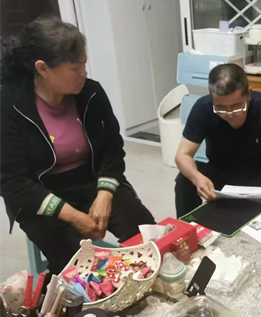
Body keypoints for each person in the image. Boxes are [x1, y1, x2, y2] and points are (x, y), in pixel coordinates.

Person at [0, 16, 155, 274]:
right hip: (40, 194)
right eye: (75, 67)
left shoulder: (91, 93)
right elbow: (13, 183)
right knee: (79, 268)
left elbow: (113, 150)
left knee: (149, 238)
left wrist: (104, 195)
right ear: (43, 68)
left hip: (91, 180)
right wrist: (72, 215)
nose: (84, 72)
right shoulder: (10, 105)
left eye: (84, 63)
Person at [174, 63, 261, 217]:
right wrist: (197, 178)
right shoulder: (203, 108)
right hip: (219, 172)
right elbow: (182, 155)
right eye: (221, 108)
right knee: (184, 179)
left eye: (236, 106)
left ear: (249, 94)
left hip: (260, 171)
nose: (229, 114)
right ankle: (185, 226)